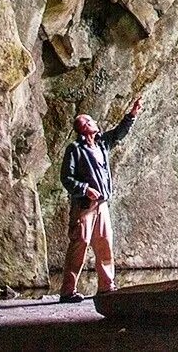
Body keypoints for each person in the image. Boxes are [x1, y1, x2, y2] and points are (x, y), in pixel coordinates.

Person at [57, 96, 142, 302]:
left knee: (104, 242)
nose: (95, 122)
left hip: (101, 204)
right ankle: (68, 291)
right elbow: (66, 178)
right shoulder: (75, 150)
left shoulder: (102, 144)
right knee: (80, 243)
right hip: (84, 206)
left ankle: (107, 285)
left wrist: (132, 114)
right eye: (91, 121)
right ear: (85, 127)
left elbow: (118, 134)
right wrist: (85, 189)